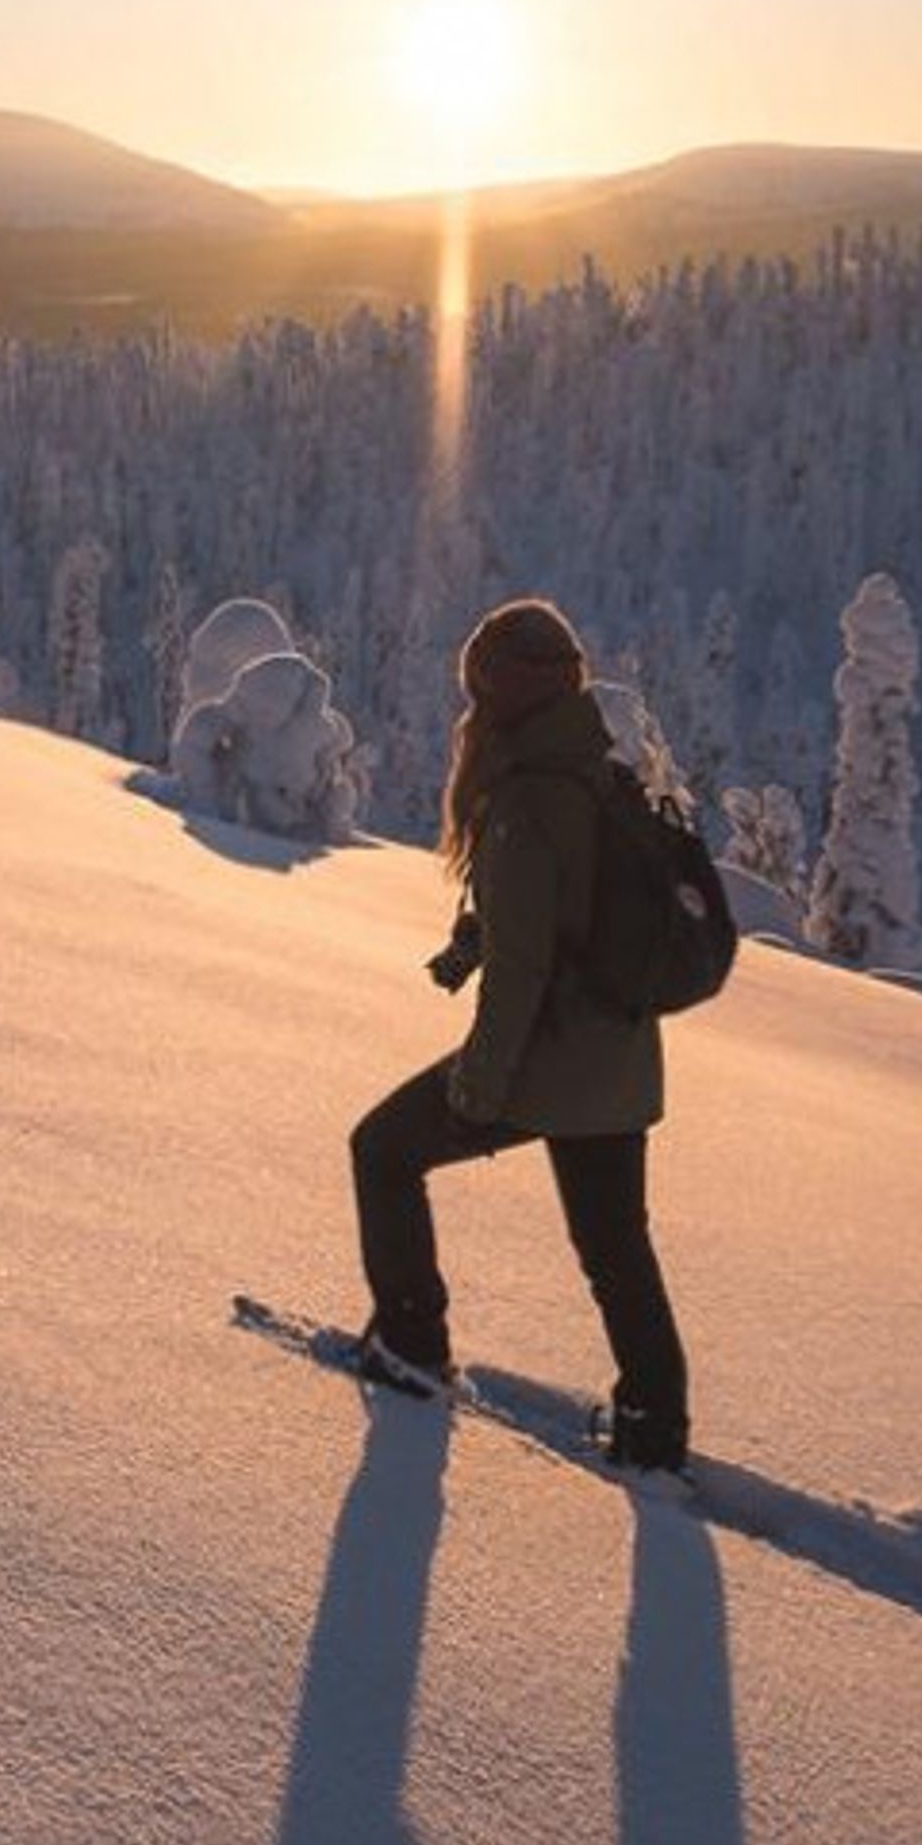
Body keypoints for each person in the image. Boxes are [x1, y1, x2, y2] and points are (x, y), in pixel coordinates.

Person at [347, 596, 693, 1469]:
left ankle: (410, 1346)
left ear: (503, 693)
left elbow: (527, 971)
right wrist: (472, 941)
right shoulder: (594, 773)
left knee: (383, 1150)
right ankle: (655, 1426)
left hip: (549, 1063)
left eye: (478, 685)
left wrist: (481, 1084)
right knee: (616, 1250)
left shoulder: (528, 796)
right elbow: (551, 914)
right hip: (620, 1063)